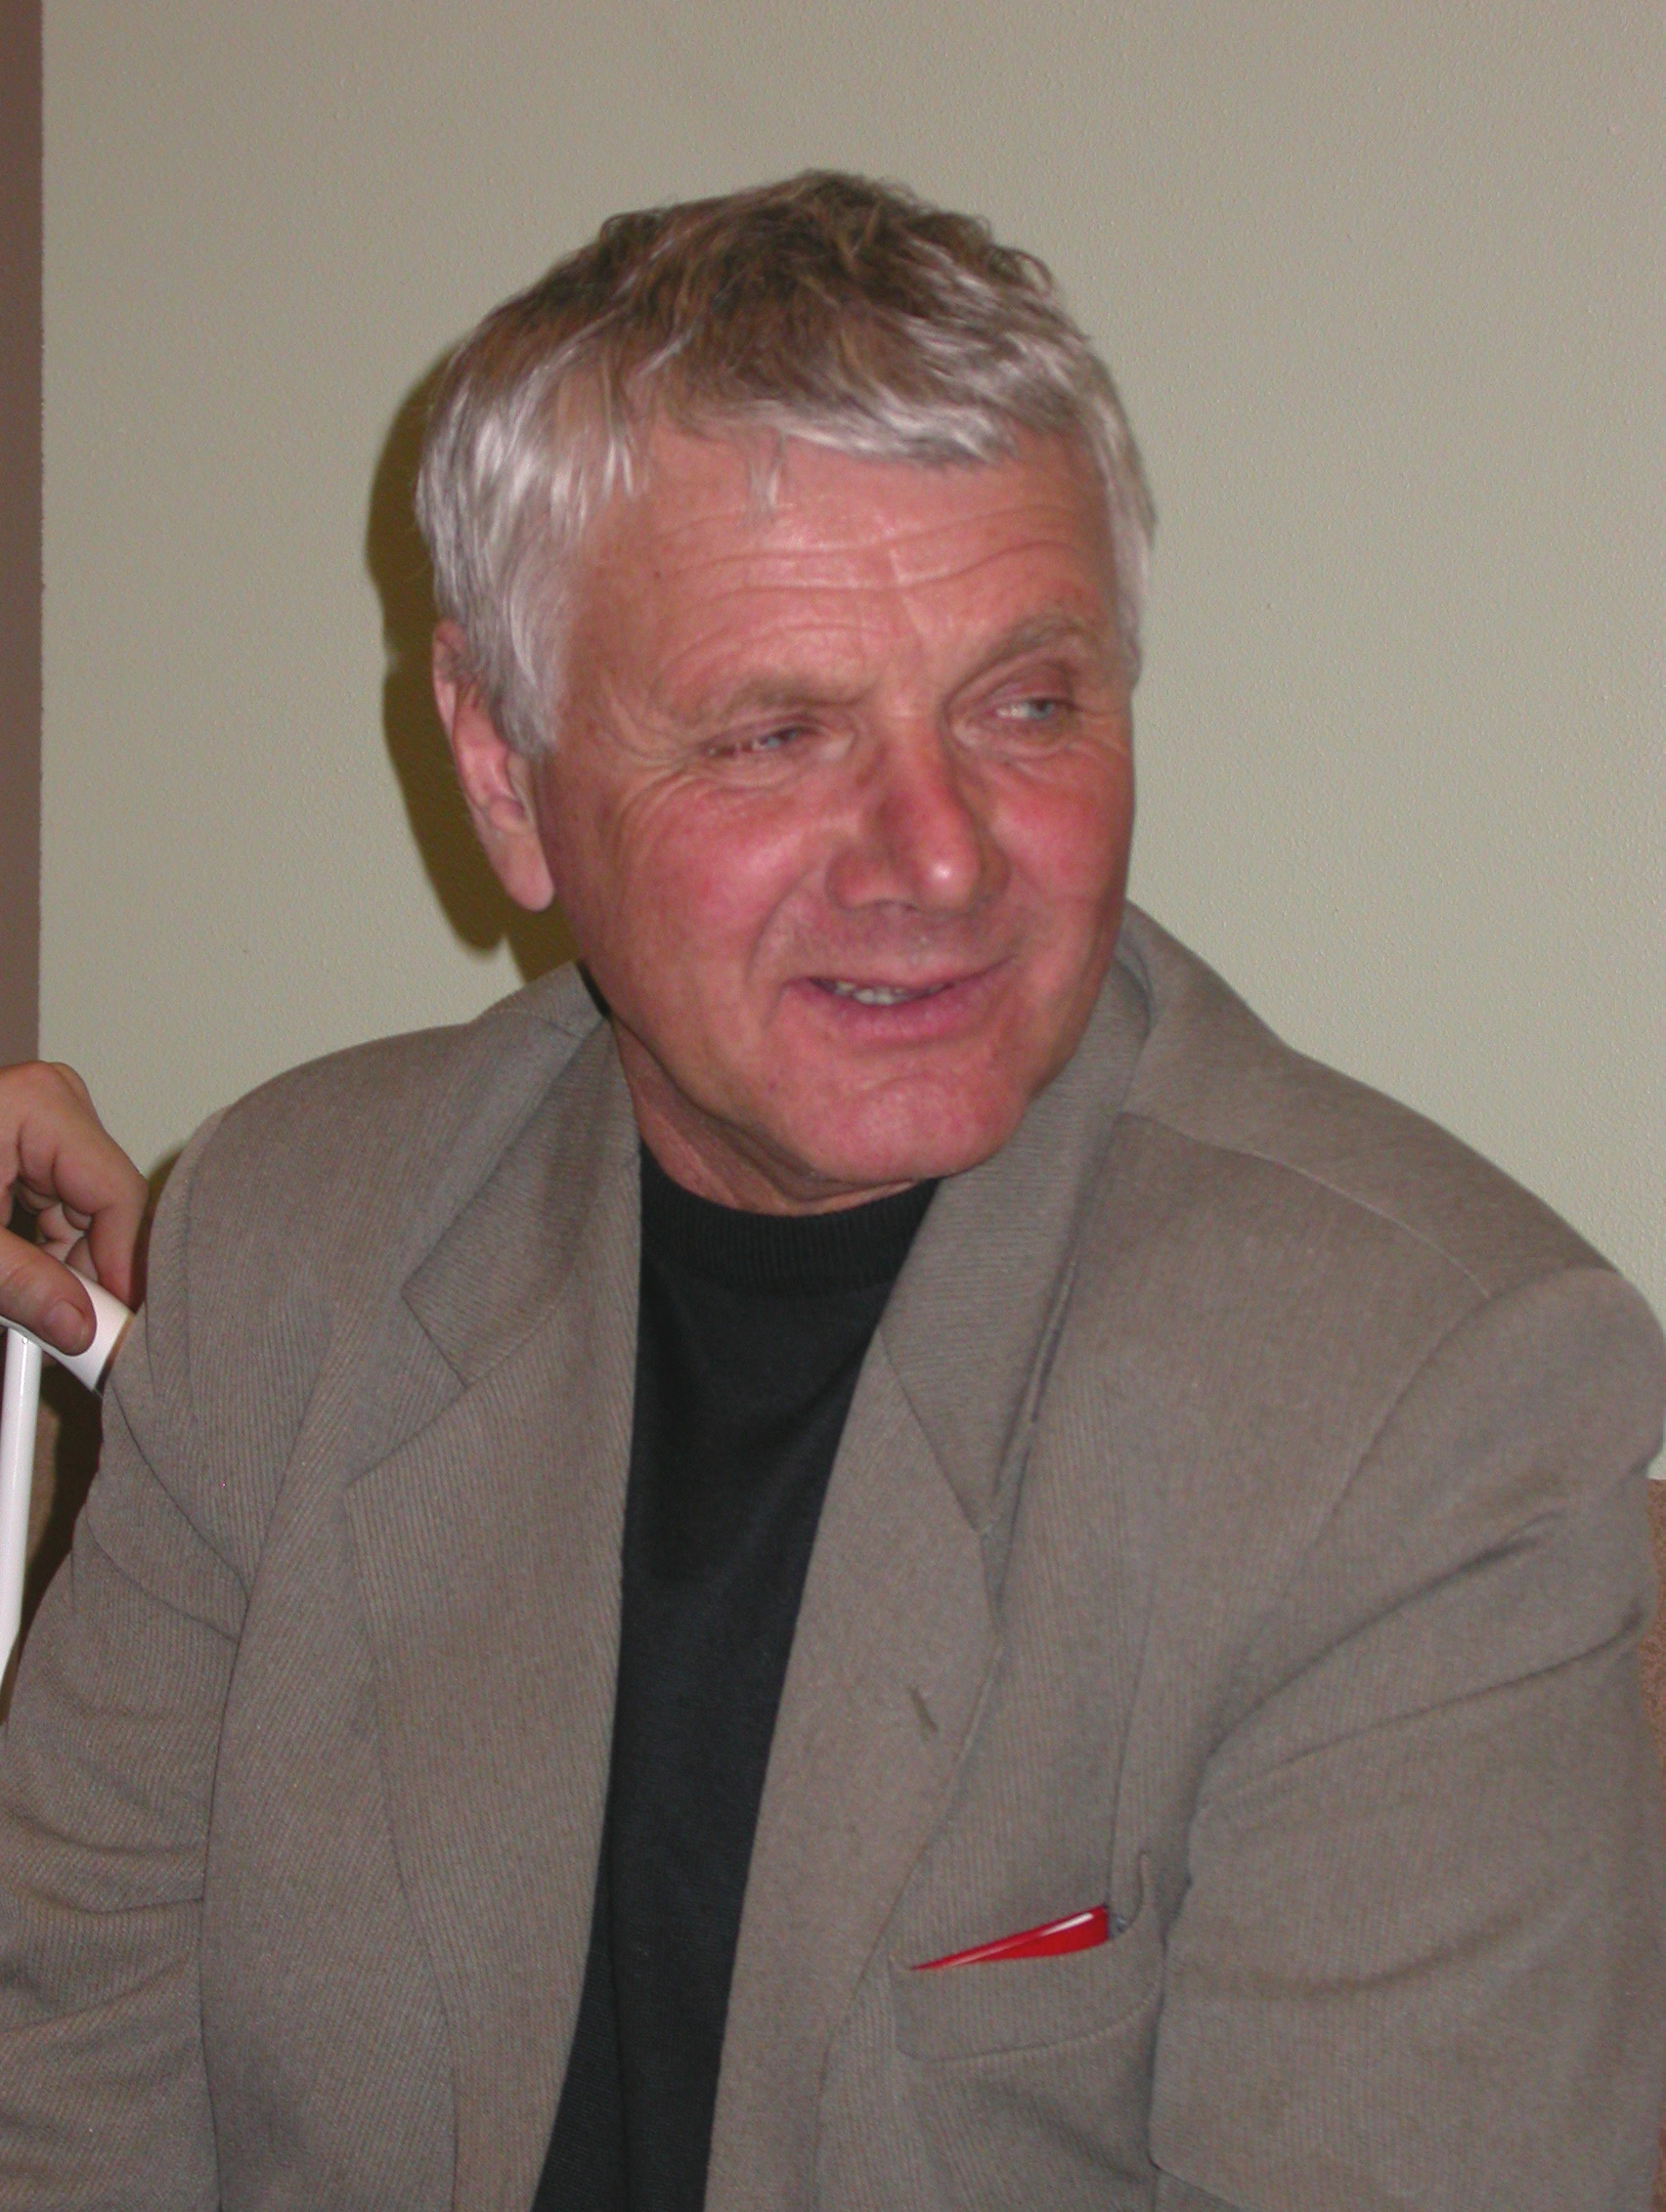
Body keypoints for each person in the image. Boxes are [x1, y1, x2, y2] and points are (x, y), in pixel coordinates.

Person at [1, 172, 1662, 2212]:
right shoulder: (294, 1238)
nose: (938, 857)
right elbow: (58, 2063)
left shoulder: (1425, 1404)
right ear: (507, 776)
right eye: (778, 732)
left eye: (1025, 706)